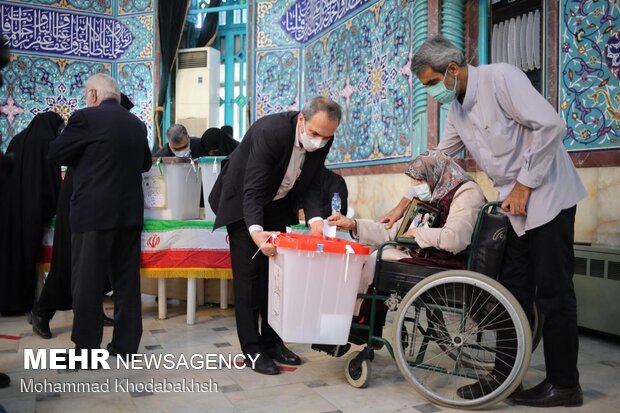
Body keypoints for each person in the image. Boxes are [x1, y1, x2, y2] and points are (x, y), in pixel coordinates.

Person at [407, 34, 587, 407]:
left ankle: (565, 385)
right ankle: (505, 376)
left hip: (548, 194)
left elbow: (550, 126)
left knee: (553, 293)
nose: (431, 93)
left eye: (431, 83)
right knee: (512, 291)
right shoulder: (456, 108)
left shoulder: (501, 78)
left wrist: (524, 185)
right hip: (515, 205)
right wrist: (406, 201)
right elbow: (440, 159)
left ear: (451, 70)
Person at [208, 96, 342, 375]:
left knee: (276, 278)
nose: (319, 141)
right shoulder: (272, 131)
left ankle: (273, 341)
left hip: (278, 204)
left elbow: (313, 182)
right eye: (315, 134)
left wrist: (316, 219)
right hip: (242, 201)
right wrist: (256, 233)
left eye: (326, 137)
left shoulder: (322, 138)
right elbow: (253, 189)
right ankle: (253, 349)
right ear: (302, 120)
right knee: (249, 279)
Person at [314, 150, 485, 357]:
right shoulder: (436, 193)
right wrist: (353, 224)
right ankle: (359, 326)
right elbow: (396, 232)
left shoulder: (466, 193)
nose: (415, 187)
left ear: (435, 174)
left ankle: (359, 326)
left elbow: (455, 239)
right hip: (429, 259)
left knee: (379, 258)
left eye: (419, 181)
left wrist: (418, 233)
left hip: (449, 265)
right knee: (373, 254)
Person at [47, 73, 151, 361]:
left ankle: (86, 350)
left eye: (85, 95)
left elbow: (55, 153)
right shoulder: (136, 123)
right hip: (129, 216)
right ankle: (125, 348)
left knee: (87, 284)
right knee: (127, 284)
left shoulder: (85, 118)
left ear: (93, 95)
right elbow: (144, 163)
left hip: (93, 214)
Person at [29, 94, 136, 339]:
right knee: (69, 262)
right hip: (79, 201)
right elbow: (59, 153)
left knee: (94, 267)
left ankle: (92, 313)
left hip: (96, 205)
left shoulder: (105, 127)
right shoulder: (88, 124)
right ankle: (42, 311)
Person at [0, 112, 64, 315]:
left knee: (9, 254)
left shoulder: (17, 139)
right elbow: (52, 183)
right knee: (27, 257)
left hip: (9, 209)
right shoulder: (49, 143)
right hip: (33, 212)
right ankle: (21, 303)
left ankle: (6, 302)